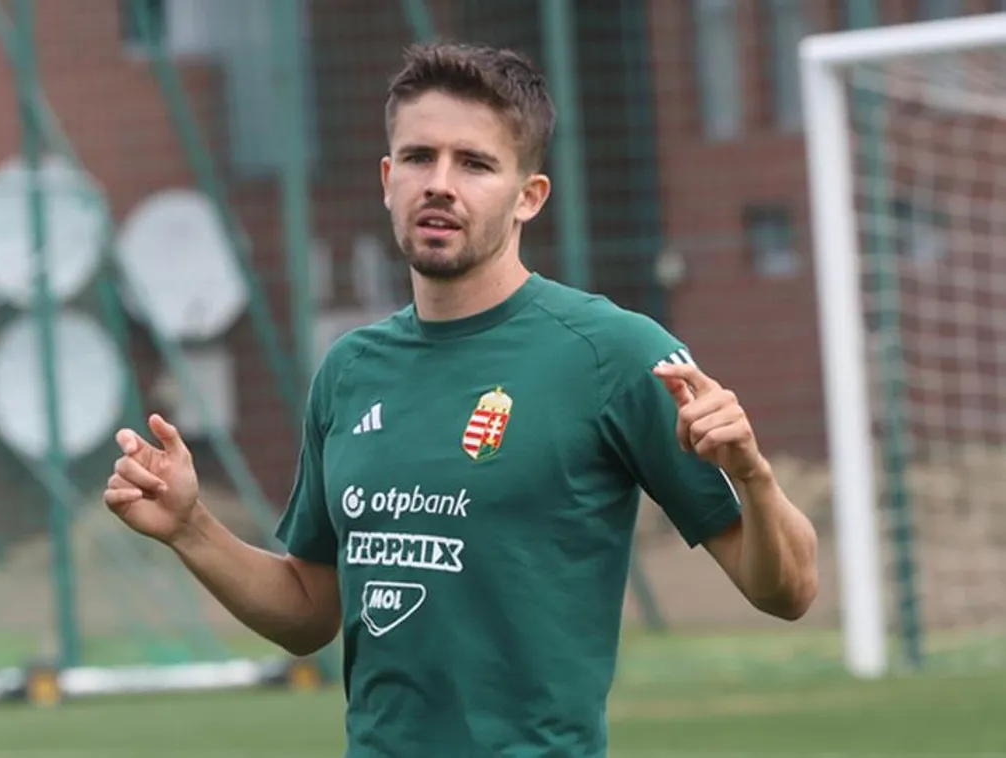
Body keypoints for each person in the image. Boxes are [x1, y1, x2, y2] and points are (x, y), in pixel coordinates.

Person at [104, 41, 819, 758]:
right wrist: (191, 528)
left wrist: (753, 477)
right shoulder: (350, 371)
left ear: (528, 196)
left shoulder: (616, 354)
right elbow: (309, 610)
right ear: (388, 180)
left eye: (474, 164)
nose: (439, 185)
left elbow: (787, 590)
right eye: (419, 158)